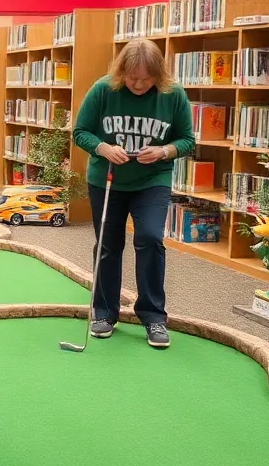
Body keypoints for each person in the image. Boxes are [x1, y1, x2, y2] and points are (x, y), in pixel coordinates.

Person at [72, 38, 194, 349]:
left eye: (146, 78)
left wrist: (164, 150)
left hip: (152, 180)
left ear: (159, 74)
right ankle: (104, 313)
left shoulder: (173, 94)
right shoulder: (103, 89)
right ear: (121, 72)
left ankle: (153, 316)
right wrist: (103, 148)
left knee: (151, 239)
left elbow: (187, 140)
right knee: (108, 246)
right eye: (132, 77)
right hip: (107, 179)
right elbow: (80, 132)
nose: (139, 84)